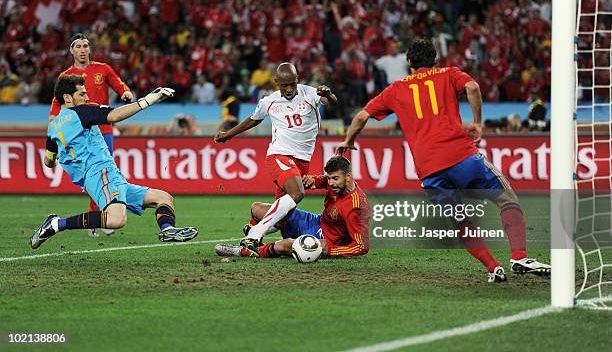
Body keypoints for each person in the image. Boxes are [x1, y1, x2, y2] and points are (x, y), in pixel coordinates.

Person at [337, 38, 550, 283]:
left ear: (409, 62)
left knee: (459, 219)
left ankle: (493, 267)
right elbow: (473, 87)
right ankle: (519, 256)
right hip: (461, 157)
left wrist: (348, 141)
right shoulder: (449, 74)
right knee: (507, 198)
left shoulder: (395, 89)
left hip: (430, 171)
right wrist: (477, 123)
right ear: (435, 59)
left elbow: (362, 116)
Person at [31, 75, 198, 249]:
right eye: (82, 94)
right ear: (67, 98)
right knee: (116, 219)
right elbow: (114, 115)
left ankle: (168, 230)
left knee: (163, 198)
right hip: (101, 172)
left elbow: (49, 161)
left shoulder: (53, 127)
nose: (87, 98)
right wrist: (148, 100)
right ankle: (57, 224)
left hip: (107, 175)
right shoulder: (82, 112)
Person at [214, 62, 337, 256]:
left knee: (281, 220)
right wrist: (229, 133)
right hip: (279, 155)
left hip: (302, 161)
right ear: (276, 82)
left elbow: (333, 102)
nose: (288, 89)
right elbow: (254, 119)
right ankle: (255, 233)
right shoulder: (269, 101)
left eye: (292, 84)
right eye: (284, 85)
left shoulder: (309, 93)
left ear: (298, 80)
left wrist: (328, 94)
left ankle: (252, 224)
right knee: (298, 193)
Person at [50, 33, 134, 237]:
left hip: (102, 130)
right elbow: (56, 104)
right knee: (91, 174)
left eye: (85, 45)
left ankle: (100, 215)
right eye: (77, 46)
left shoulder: (102, 69)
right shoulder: (66, 77)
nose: (82, 49)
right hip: (78, 132)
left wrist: (125, 93)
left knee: (104, 171)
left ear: (89, 49)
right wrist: (54, 123)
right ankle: (99, 215)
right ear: (71, 50)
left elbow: (118, 83)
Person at [215, 156, 370, 258]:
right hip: (315, 222)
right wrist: (310, 180)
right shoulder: (336, 183)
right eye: (329, 178)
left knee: (286, 244)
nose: (330, 183)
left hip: (327, 240)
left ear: (348, 177)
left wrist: (330, 250)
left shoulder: (356, 206)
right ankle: (254, 238)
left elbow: (361, 246)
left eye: (335, 179)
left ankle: (244, 252)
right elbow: (319, 181)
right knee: (257, 209)